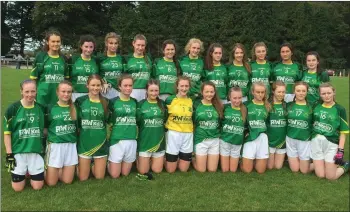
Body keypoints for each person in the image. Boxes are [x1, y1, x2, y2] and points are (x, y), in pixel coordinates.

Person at [3, 79, 46, 191]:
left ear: (36, 91)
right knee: (18, 189)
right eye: (27, 92)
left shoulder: (41, 108)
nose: (30, 95)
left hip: (36, 152)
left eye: (33, 91)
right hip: (19, 152)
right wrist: (9, 154)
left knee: (37, 187)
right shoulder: (12, 109)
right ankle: (24, 171)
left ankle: (30, 171)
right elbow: (7, 134)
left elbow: (45, 130)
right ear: (21, 92)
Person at [311, 82, 349, 180]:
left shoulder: (340, 109)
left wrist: (340, 151)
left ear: (333, 93)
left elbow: (343, 132)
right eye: (323, 94)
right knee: (320, 175)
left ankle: (346, 165)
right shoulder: (316, 106)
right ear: (320, 94)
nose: (326, 96)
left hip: (332, 144)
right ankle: (325, 163)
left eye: (329, 93)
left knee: (330, 177)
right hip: (316, 142)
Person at [75, 74, 109, 181]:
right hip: (85, 143)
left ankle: (96, 164)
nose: (95, 88)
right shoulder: (80, 101)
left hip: (100, 143)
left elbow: (108, 122)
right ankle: (78, 165)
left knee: (99, 177)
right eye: (93, 85)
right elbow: (77, 123)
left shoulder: (106, 102)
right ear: (87, 86)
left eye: (98, 85)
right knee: (83, 178)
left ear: (101, 86)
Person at [45, 81, 78, 186]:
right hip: (55, 145)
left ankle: (59, 169)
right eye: (63, 91)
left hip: (71, 146)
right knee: (51, 183)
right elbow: (45, 128)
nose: (66, 94)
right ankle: (40, 170)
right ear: (57, 92)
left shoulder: (75, 108)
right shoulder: (50, 108)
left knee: (67, 181)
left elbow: (78, 128)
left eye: (69, 92)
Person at [108, 74, 138, 178]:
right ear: (119, 87)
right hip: (117, 140)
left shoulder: (135, 102)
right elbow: (108, 121)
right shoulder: (112, 102)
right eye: (125, 85)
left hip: (131, 139)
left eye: (130, 85)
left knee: (125, 174)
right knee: (115, 175)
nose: (128, 88)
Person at [30, 29, 69, 107]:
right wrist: (33, 94)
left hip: (60, 97)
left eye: (58, 41)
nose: (56, 44)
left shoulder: (64, 59)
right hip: (43, 96)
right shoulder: (40, 57)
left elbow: (66, 79)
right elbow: (33, 78)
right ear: (47, 42)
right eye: (53, 41)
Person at [136, 79, 167, 179]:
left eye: (156, 91)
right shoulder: (140, 104)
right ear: (146, 91)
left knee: (157, 170)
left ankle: (155, 159)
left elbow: (165, 120)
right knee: (143, 172)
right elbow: (137, 122)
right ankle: (139, 158)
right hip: (145, 143)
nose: (154, 93)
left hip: (159, 143)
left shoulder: (163, 104)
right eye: (151, 91)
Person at [165, 76, 194, 173]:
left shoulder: (191, 101)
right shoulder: (170, 100)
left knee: (183, 170)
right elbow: (165, 116)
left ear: (189, 87)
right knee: (171, 170)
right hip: (174, 133)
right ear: (177, 86)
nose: (184, 88)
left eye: (186, 86)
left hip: (188, 134)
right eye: (182, 86)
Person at [192, 81, 223, 172]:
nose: (209, 94)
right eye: (207, 92)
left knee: (212, 170)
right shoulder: (196, 104)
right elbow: (193, 121)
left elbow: (220, 123)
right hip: (201, 139)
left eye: (211, 92)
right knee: (201, 170)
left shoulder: (219, 105)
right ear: (202, 92)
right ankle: (193, 160)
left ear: (214, 92)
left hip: (214, 140)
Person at [241, 82, 270, 174]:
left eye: (262, 92)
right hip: (250, 137)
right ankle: (242, 160)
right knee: (247, 170)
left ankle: (252, 159)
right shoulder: (246, 105)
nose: (260, 94)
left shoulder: (268, 106)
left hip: (262, 137)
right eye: (258, 92)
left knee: (260, 171)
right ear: (252, 92)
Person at [286, 81, 313, 174]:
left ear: (307, 92)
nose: (301, 93)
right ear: (294, 91)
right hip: (290, 139)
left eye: (303, 91)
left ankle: (320, 162)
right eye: (298, 90)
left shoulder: (311, 107)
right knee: (295, 169)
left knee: (304, 171)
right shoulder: (288, 105)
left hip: (304, 140)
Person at [220, 87, 246, 172]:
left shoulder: (245, 109)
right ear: (229, 97)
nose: (237, 101)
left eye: (239, 98)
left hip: (237, 142)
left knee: (233, 170)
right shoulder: (224, 107)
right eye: (234, 98)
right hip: (225, 141)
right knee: (225, 170)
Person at [69, 35, 99, 101]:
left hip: (92, 94)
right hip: (75, 94)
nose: (88, 49)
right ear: (81, 46)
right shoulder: (74, 59)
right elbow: (67, 77)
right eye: (86, 47)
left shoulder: (96, 60)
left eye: (91, 47)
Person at [124, 34, 152, 101]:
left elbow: (152, 75)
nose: (140, 48)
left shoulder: (149, 59)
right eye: (138, 45)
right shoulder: (127, 58)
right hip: (131, 91)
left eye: (142, 45)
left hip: (146, 91)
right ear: (133, 43)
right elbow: (123, 76)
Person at [267, 81, 287, 169]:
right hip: (270, 141)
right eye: (279, 92)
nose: (281, 94)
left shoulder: (287, 106)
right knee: (270, 167)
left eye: (283, 92)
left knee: (278, 167)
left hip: (282, 142)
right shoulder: (267, 105)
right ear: (273, 91)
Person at [99, 32, 125, 99]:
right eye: (111, 43)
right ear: (106, 43)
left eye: (116, 43)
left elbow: (124, 74)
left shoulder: (121, 58)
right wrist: (102, 83)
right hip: (105, 90)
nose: (113, 46)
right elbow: (96, 74)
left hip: (119, 90)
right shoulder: (100, 58)